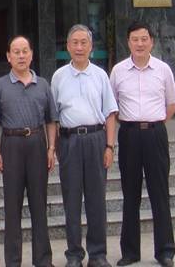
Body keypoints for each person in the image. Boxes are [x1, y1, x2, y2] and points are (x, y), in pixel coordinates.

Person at [110, 22, 175, 267]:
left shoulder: (163, 69)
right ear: (128, 42)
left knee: (160, 193)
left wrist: (154, 123)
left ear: (152, 41)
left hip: (155, 134)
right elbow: (112, 106)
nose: (140, 43)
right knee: (130, 194)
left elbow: (172, 104)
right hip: (129, 135)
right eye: (135, 39)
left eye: (144, 39)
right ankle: (130, 252)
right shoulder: (118, 71)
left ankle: (165, 251)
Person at [51, 24, 118, 267]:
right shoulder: (58, 77)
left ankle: (98, 254)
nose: (79, 47)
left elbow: (110, 114)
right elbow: (53, 117)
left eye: (84, 42)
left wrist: (109, 146)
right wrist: (54, 148)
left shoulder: (100, 75)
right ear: (68, 47)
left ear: (91, 46)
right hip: (69, 141)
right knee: (71, 201)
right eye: (75, 43)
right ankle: (74, 255)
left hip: (96, 140)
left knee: (96, 200)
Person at [0, 35, 57, 267]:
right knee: (12, 207)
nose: (21, 56)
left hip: (37, 143)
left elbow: (51, 119)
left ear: (31, 54)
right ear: (8, 56)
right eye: (16, 52)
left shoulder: (43, 84)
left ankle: (43, 260)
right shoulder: (0, 85)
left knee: (39, 205)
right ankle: (13, 261)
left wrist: (51, 148)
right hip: (11, 145)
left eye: (25, 51)